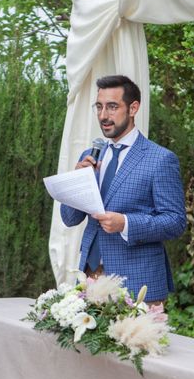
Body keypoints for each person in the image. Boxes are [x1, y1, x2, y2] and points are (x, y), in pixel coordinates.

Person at [60, 74, 186, 306]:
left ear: (133, 108)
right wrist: (76, 180)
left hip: (138, 283)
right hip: (90, 277)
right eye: (99, 107)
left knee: (137, 343)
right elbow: (69, 219)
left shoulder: (160, 159)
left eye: (112, 107)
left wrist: (126, 224)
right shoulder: (90, 156)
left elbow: (175, 221)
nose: (103, 116)